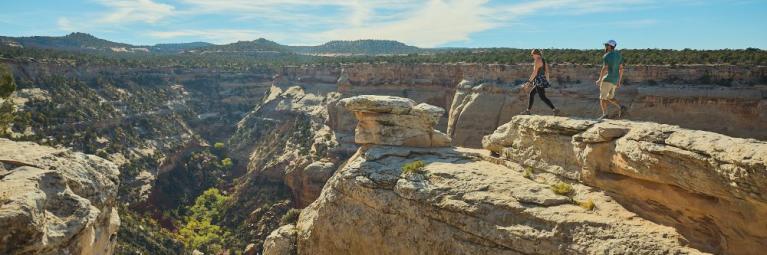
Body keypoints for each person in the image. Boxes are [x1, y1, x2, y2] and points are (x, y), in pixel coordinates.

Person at [521, 49, 560, 115]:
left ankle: (555, 109)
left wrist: (528, 82)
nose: (532, 56)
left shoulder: (537, 60)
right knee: (532, 94)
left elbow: (535, 72)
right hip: (542, 79)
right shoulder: (543, 60)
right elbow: (547, 72)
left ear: (536, 54)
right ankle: (528, 110)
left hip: (539, 80)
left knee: (542, 97)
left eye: (532, 55)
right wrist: (547, 81)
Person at [596, 40, 627, 119]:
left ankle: (605, 114)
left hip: (607, 79)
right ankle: (621, 107)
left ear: (610, 46)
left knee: (602, 98)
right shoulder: (619, 55)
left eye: (606, 45)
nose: (605, 46)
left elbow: (604, 68)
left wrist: (599, 79)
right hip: (615, 80)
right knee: (610, 97)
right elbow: (621, 69)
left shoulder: (607, 56)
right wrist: (619, 81)